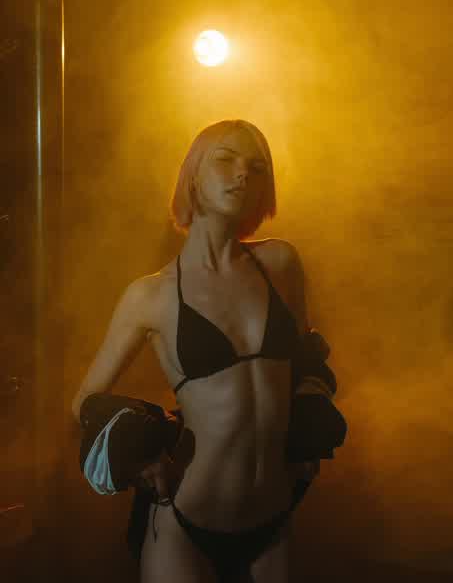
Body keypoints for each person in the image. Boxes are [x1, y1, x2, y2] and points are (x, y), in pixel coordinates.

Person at [71, 119, 335, 583]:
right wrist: (143, 457)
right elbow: (84, 403)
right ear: (193, 175)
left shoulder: (282, 264)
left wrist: (311, 407)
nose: (243, 174)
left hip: (274, 520)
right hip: (186, 524)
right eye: (226, 159)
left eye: (256, 168)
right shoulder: (151, 296)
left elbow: (306, 360)